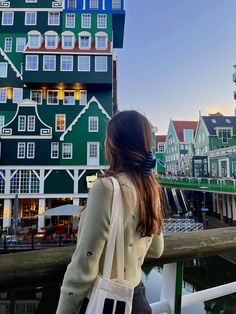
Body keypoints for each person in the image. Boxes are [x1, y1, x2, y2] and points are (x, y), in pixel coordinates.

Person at [56, 110, 164, 314]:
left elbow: (83, 266)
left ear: (113, 144)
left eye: (107, 137)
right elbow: (156, 249)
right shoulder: (150, 187)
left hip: (108, 303)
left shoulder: (106, 188)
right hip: (138, 300)